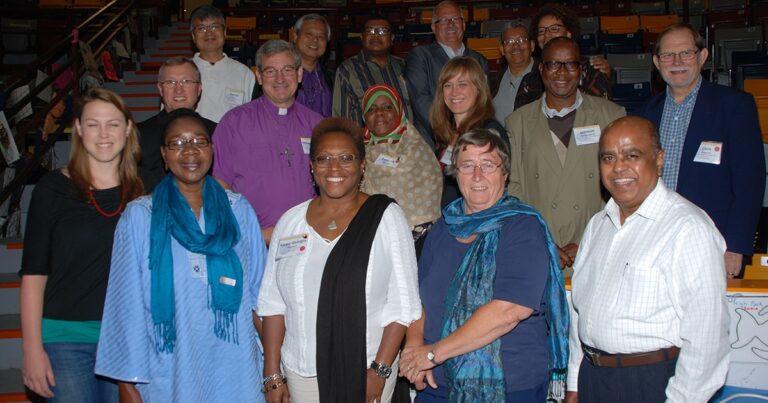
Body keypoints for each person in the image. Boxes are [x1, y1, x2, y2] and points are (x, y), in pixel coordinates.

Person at [95, 109, 267, 402]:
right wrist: (127, 381)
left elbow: (261, 296)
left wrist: (275, 368)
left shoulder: (239, 210)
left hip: (236, 368)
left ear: (212, 149)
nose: (190, 150)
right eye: (177, 143)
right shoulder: (140, 216)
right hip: (170, 368)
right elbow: (125, 304)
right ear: (163, 154)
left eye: (199, 141)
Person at [566, 116, 730, 402]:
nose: (618, 167)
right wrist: (574, 383)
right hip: (593, 378)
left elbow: (707, 338)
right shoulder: (597, 225)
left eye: (632, 155)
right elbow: (580, 313)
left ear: (659, 159)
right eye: (608, 157)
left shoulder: (688, 228)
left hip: (651, 383)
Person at [257, 117, 421, 403]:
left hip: (366, 366)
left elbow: (403, 303)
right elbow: (273, 303)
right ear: (312, 165)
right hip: (302, 370)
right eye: (324, 158)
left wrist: (380, 370)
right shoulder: (290, 222)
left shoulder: (386, 218)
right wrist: (272, 374)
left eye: (346, 158)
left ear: (362, 164)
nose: (334, 168)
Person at [399, 129, 568, 402]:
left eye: (488, 165)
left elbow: (509, 310)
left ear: (505, 173)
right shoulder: (443, 227)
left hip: (507, 386)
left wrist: (432, 354)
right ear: (455, 174)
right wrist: (414, 348)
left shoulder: (522, 228)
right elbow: (419, 300)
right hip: (435, 382)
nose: (477, 175)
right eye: (467, 165)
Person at [20, 88, 145, 402]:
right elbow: (34, 274)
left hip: (127, 339)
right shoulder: (52, 189)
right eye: (92, 124)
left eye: (112, 124)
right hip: (64, 339)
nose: (103, 134)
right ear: (77, 128)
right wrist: (32, 349)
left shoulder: (145, 192)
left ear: (128, 128)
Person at [639, 23, 765, 278]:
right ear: (656, 62)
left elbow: (749, 183)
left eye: (686, 53)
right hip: (654, 242)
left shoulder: (735, 106)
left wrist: (735, 246)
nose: (677, 61)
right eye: (668, 55)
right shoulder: (645, 113)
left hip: (713, 243)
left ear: (703, 56)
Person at [506, 37, 625, 269]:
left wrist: (590, 242)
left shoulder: (611, 116)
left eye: (570, 64)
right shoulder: (517, 122)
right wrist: (542, 241)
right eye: (553, 64)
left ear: (580, 70)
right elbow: (515, 192)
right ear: (541, 69)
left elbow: (623, 189)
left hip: (597, 249)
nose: (562, 72)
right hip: (538, 248)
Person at [213, 40, 323, 244]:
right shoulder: (233, 123)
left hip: (308, 238)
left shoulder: (317, 125)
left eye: (287, 70)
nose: (280, 78)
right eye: (271, 71)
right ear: (259, 76)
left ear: (299, 74)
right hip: (251, 240)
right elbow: (219, 188)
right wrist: (253, 233)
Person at [360, 84, 442, 253]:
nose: (379, 113)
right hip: (372, 240)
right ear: (364, 116)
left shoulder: (417, 149)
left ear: (398, 110)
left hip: (419, 240)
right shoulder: (357, 152)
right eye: (371, 109)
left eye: (387, 107)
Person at [405, 0, 489, 150]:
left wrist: (472, 136)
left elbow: (483, 102)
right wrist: (450, 134)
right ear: (433, 27)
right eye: (444, 20)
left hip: (474, 142)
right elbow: (420, 99)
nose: (451, 24)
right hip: (432, 146)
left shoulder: (479, 60)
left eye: (456, 19)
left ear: (463, 24)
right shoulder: (421, 56)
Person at [430, 57, 507, 208]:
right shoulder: (448, 132)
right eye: (448, 85)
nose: (454, 92)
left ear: (478, 89)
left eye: (462, 84)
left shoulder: (489, 132)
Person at [138, 57, 216, 192]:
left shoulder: (217, 132)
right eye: (170, 82)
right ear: (160, 89)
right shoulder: (138, 135)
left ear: (199, 89)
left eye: (186, 82)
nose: (178, 90)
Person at [333, 15, 412, 126]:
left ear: (392, 38)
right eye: (370, 31)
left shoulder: (403, 65)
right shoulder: (347, 70)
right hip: (367, 137)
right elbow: (341, 118)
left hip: (409, 135)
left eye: (382, 31)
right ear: (362, 37)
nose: (375, 35)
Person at [531, 3, 613, 99]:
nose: (547, 34)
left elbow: (599, 106)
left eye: (554, 29)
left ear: (569, 33)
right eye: (541, 31)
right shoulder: (532, 74)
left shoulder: (591, 69)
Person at [190, 5, 255, 122]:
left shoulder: (244, 73)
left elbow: (251, 118)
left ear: (224, 32)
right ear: (193, 36)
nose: (209, 32)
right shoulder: (181, 71)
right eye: (201, 28)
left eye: (215, 26)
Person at [492, 23, 541, 123]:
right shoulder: (493, 81)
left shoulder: (544, 77)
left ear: (532, 46)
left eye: (522, 40)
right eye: (509, 41)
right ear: (502, 49)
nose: (515, 46)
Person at [293, 14, 332, 117]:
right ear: (295, 36)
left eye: (321, 37)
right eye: (309, 34)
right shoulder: (280, 73)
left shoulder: (330, 77)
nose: (315, 40)